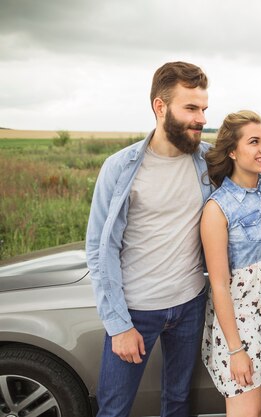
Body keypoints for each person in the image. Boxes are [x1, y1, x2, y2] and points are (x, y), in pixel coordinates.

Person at [85, 61, 213, 417]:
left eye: (203, 108)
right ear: (160, 106)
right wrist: (119, 325)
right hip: (135, 310)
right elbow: (99, 248)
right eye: (190, 108)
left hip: (190, 303)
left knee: (177, 403)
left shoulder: (208, 160)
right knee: (114, 409)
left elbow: (259, 161)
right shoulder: (120, 167)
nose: (201, 118)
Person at [201, 110, 261, 416]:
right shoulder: (218, 208)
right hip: (243, 326)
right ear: (232, 150)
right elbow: (218, 284)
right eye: (253, 142)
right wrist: (235, 350)